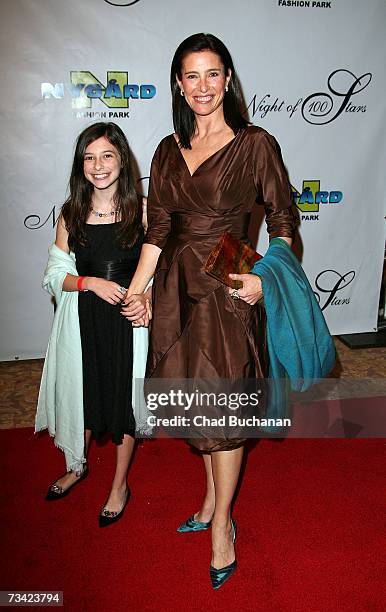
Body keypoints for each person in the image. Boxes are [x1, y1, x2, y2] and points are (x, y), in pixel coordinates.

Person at [121, 33, 296, 587]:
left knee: (223, 406)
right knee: (197, 401)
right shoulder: (167, 149)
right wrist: (138, 290)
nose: (203, 87)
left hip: (227, 275)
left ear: (228, 78)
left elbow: (286, 224)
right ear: (178, 82)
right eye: (191, 75)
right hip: (175, 286)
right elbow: (156, 233)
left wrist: (262, 277)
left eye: (213, 74)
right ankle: (207, 499)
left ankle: (224, 523)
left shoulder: (255, 143)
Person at [36, 122, 151, 527]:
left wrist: (146, 297)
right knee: (82, 395)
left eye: (106, 155)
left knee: (124, 404)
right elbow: (54, 274)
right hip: (83, 320)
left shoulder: (144, 209)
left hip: (128, 322)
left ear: (122, 159)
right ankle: (77, 464)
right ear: (79, 164)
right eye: (89, 157)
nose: (98, 165)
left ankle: (120, 485)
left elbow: (160, 267)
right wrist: (90, 282)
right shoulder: (70, 213)